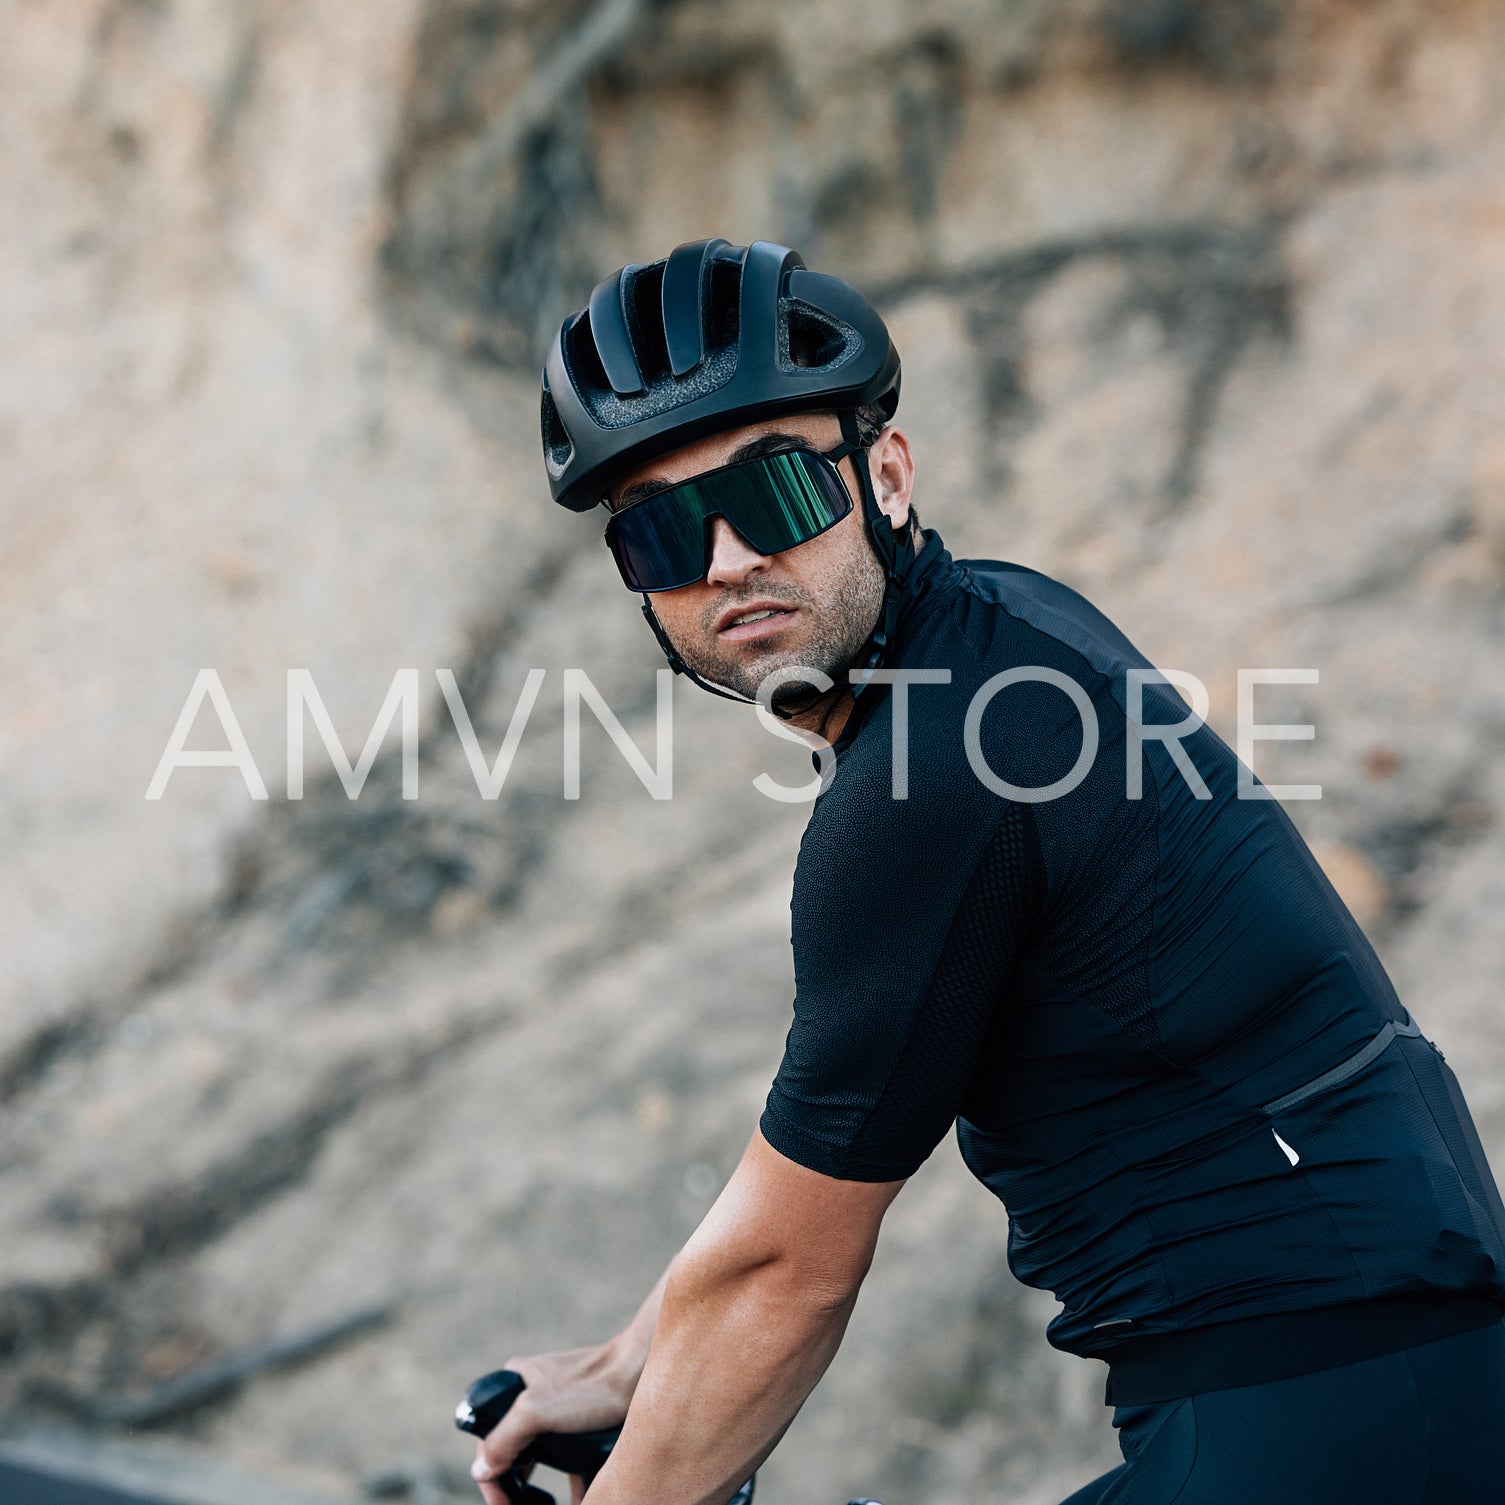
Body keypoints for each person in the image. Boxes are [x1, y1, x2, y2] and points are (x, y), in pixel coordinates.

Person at [471, 239, 1505, 1504]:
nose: (730, 557)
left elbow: (788, 1269)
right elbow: (788, 1179)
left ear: (885, 475)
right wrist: (635, 1367)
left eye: (781, 492)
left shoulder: (936, 772)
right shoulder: (1000, 634)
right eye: (666, 531)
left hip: (1332, 1421)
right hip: (1378, 1383)